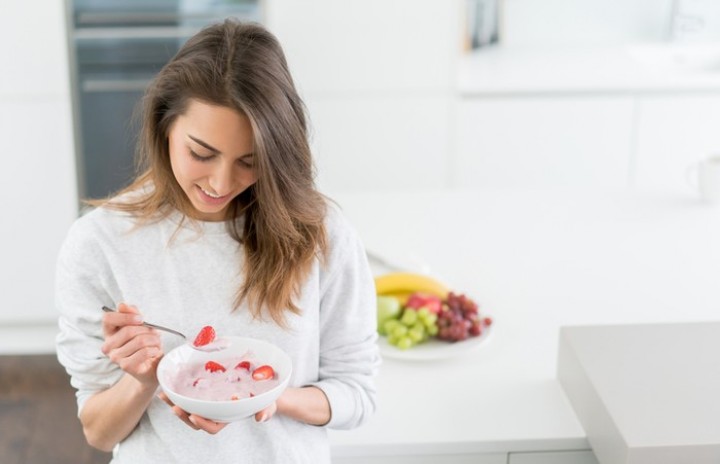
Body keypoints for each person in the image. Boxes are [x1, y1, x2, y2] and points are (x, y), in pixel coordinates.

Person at [55, 19, 380, 463]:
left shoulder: (319, 232)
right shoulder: (99, 243)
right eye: (201, 154)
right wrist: (143, 378)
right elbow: (97, 431)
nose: (221, 182)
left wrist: (273, 399)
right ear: (165, 125)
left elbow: (357, 392)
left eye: (250, 161)